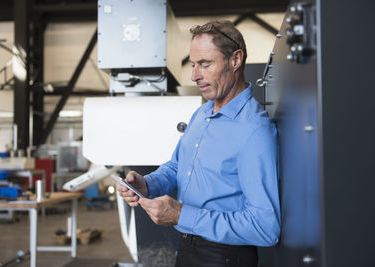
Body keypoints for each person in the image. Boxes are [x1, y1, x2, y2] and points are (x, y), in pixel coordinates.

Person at [117, 20, 280, 267]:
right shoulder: (202, 114)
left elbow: (265, 227)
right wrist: (147, 183)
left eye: (205, 64)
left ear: (235, 60)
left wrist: (183, 215)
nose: (194, 75)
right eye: (193, 64)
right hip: (187, 247)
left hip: (225, 257)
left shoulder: (255, 130)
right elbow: (177, 167)